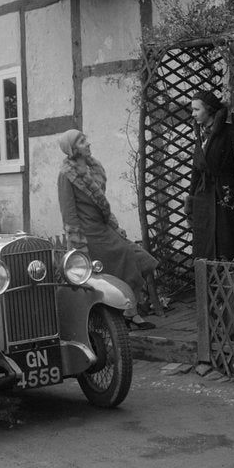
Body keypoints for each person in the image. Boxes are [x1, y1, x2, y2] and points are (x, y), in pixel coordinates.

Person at [57, 128, 158, 330]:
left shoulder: (95, 168)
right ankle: (130, 314)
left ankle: (128, 310)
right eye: (82, 141)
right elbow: (68, 213)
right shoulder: (66, 176)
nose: (88, 143)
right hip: (88, 234)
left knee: (140, 258)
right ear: (72, 149)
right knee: (125, 256)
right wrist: (79, 247)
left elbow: (103, 205)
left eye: (86, 139)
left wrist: (115, 226)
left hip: (104, 228)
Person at [185, 89, 234, 261]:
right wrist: (191, 199)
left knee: (228, 242)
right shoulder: (200, 135)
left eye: (196, 109)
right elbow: (196, 171)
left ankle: (231, 282)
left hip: (225, 195)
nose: (193, 114)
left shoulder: (230, 132)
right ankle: (210, 285)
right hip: (203, 198)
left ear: (209, 110)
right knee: (205, 245)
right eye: (192, 109)